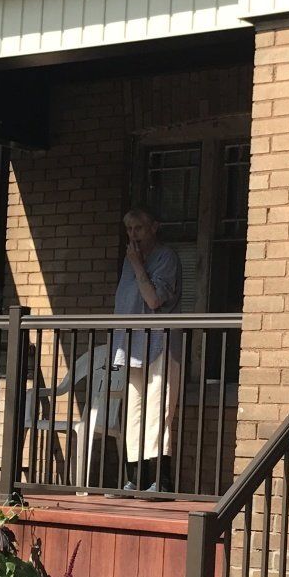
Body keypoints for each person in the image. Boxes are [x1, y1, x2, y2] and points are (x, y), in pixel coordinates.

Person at [113, 207, 181, 493]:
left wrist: (139, 265)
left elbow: (153, 300)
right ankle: (135, 478)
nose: (133, 235)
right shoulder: (129, 260)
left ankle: (160, 481)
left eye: (138, 228)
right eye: (129, 229)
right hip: (132, 343)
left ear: (154, 227)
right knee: (134, 409)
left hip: (160, 342)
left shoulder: (166, 257)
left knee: (158, 408)